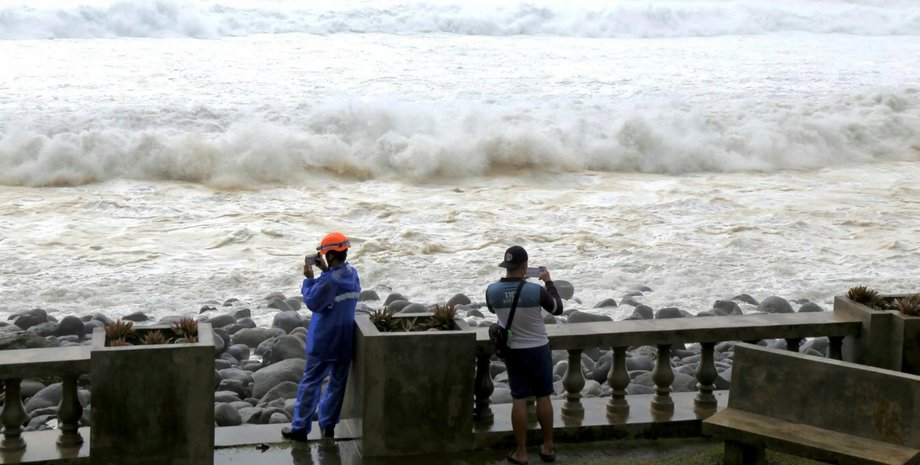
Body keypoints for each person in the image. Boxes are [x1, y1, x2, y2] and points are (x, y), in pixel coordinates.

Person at [485, 245, 564, 464]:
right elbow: (557, 308)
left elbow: (493, 310)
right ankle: (548, 447)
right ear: (525, 267)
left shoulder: (491, 290)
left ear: (506, 265)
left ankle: (521, 452)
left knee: (518, 398)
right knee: (543, 396)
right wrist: (548, 281)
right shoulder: (535, 291)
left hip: (513, 351)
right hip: (538, 349)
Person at [282, 232, 361, 441]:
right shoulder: (352, 274)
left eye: (325, 255)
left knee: (311, 383)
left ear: (331, 256)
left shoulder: (329, 282)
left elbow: (313, 302)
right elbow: (336, 284)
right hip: (344, 340)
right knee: (337, 384)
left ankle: (299, 427)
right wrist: (325, 270)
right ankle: (328, 426)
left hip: (324, 340)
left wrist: (309, 280)